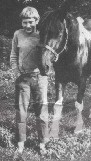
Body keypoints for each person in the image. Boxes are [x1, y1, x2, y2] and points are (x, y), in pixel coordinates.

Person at [10, 6, 49, 159]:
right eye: (24, 22)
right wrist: (16, 71)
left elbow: (51, 54)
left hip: (40, 79)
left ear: (37, 21)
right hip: (23, 79)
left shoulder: (43, 35)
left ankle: (42, 143)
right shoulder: (17, 34)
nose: (27, 26)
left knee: (42, 112)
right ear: (21, 22)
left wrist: (47, 70)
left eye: (30, 22)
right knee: (21, 112)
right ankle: (20, 144)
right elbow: (14, 54)